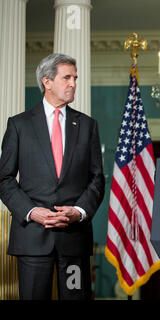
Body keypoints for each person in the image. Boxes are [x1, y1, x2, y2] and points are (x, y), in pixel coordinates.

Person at [0, 53, 105, 300]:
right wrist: (32, 211)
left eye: (75, 78)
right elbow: (4, 179)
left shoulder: (88, 125)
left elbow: (97, 178)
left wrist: (78, 211)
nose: (73, 83)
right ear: (47, 82)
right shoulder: (19, 125)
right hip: (32, 239)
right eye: (66, 77)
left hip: (74, 239)